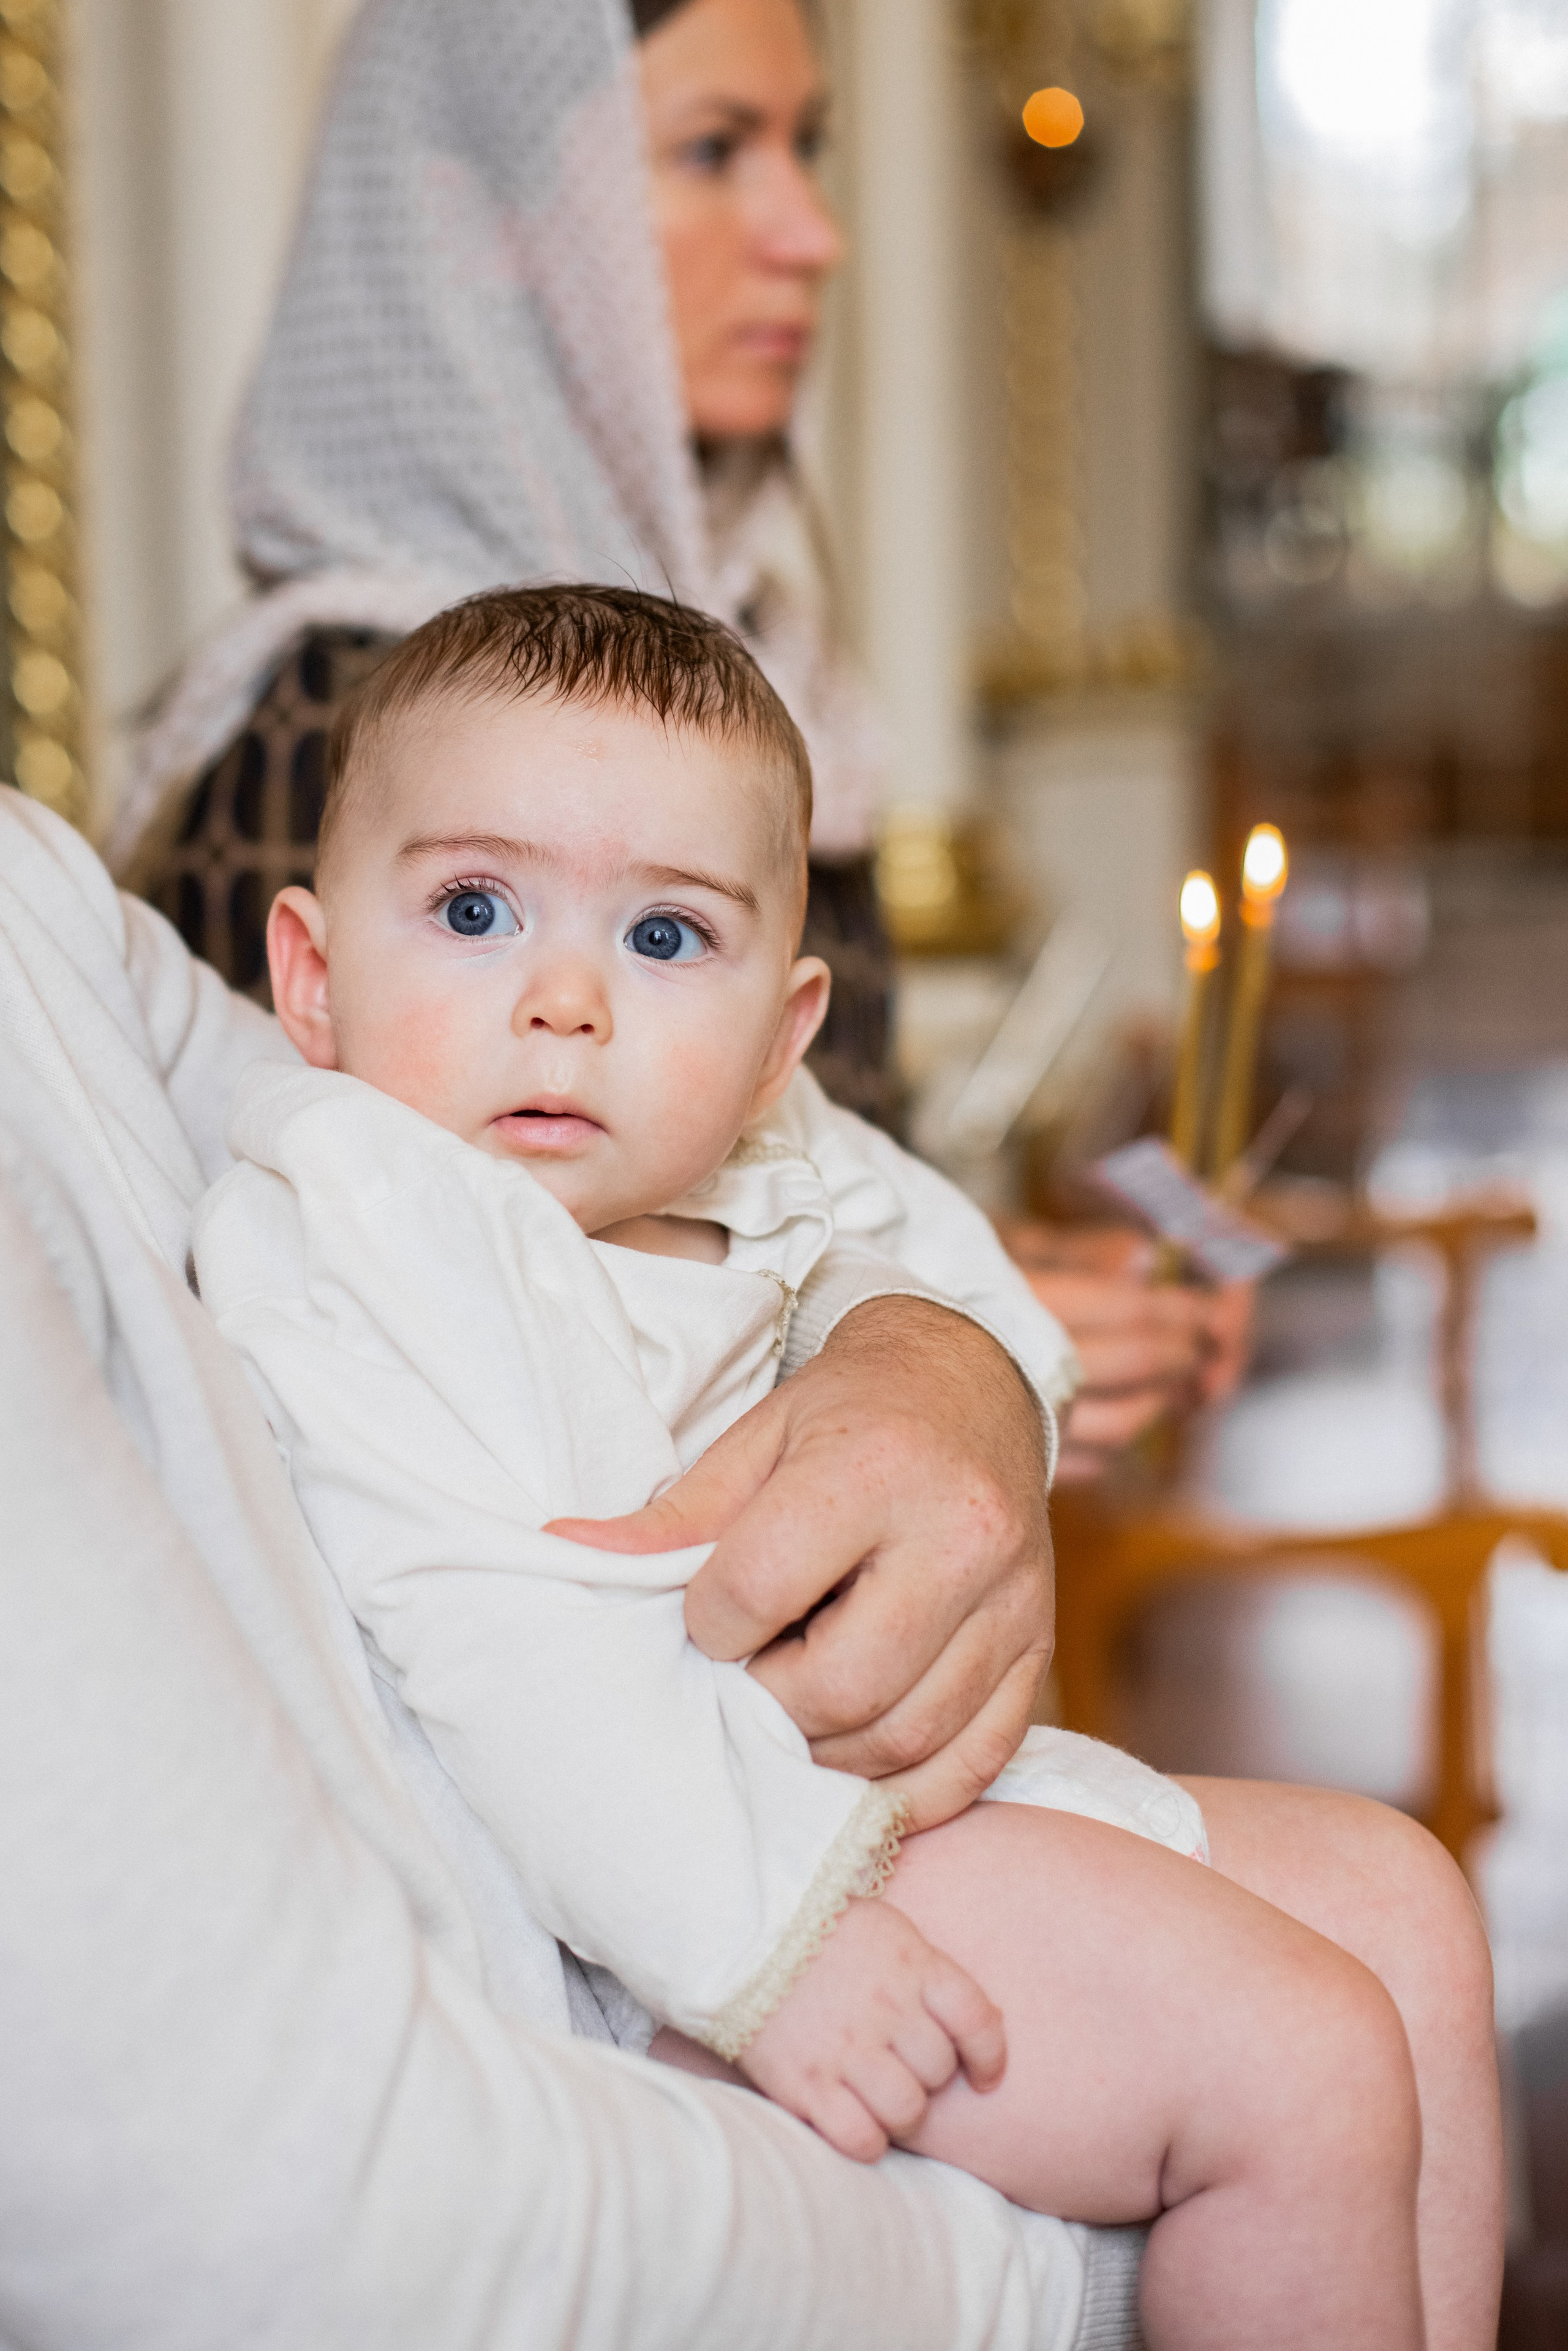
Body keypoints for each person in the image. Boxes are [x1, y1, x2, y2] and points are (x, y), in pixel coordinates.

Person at [2, 777, 1502, 2345]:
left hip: (816, 1789)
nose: (565, 1001)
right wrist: (768, 1950)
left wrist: (959, 1354)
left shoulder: (707, 1167)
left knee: (1402, 1906)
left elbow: (894, 1224)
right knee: (1311, 2060)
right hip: (660, 1880)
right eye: (471, 912)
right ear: (309, 976)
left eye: (659, 936)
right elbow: (494, 1635)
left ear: (780, 1036)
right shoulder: (366, 1223)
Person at [112, 0, 1245, 1482]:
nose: (810, 232)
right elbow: (358, 1351)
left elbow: (718, 1198)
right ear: (483, 221)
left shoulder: (734, 657)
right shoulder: (355, 715)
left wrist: (987, 1311)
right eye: (714, 150)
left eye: (806, 146)